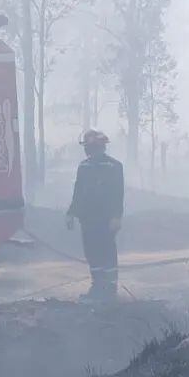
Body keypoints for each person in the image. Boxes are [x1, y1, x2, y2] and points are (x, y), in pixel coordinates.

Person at [65, 129, 125, 302]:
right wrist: (71, 213)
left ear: (100, 146)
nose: (87, 150)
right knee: (92, 253)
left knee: (106, 251)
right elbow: (78, 192)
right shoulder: (84, 166)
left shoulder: (114, 166)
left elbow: (118, 194)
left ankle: (110, 288)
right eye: (87, 147)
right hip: (87, 219)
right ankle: (97, 286)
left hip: (106, 219)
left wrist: (116, 216)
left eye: (90, 146)